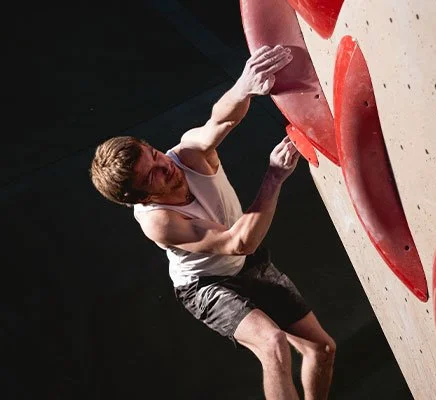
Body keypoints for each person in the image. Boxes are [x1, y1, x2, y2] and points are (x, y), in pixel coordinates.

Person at [90, 45, 335, 399]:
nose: (165, 165)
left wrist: (244, 86)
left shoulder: (188, 154)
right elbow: (238, 241)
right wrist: (274, 177)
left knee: (321, 349)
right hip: (206, 284)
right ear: (141, 197)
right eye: (153, 176)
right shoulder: (158, 222)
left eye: (155, 154)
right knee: (273, 344)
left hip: (244, 264)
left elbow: (221, 120)